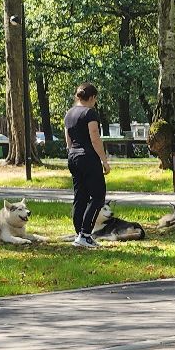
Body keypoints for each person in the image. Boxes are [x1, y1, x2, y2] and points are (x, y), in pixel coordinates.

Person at [62, 86, 110, 248]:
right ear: (92, 97)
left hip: (73, 156)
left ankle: (79, 233)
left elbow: (68, 139)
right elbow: (95, 137)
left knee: (80, 196)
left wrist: (72, 153)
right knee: (98, 196)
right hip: (88, 157)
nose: (95, 102)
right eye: (95, 99)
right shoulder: (90, 113)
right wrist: (104, 160)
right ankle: (85, 234)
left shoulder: (69, 113)